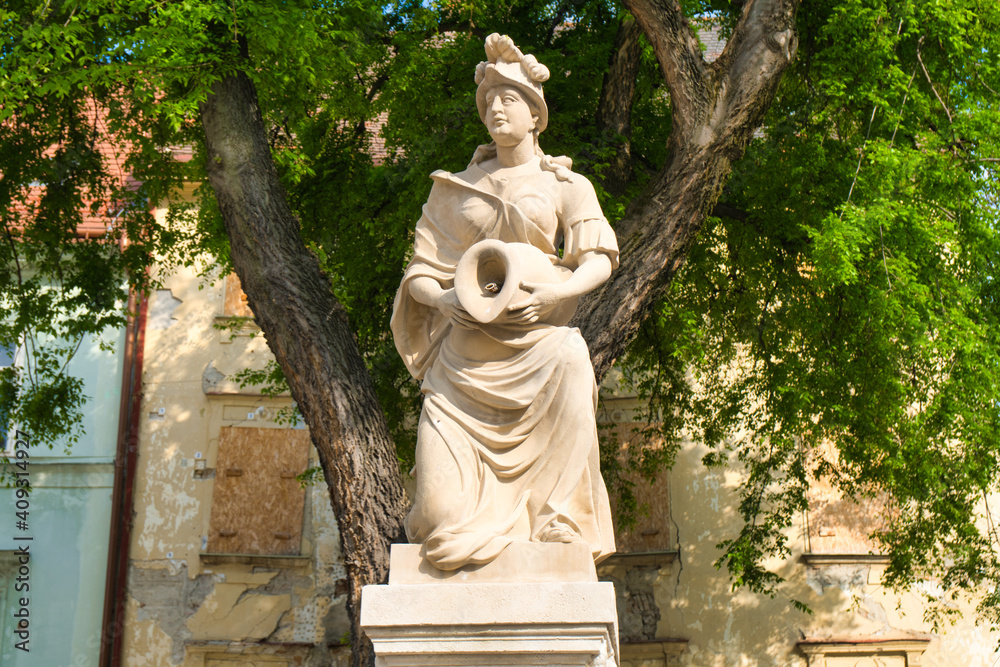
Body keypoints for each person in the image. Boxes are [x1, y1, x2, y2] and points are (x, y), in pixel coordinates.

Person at [391, 33, 618, 570]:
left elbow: (599, 258)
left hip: (540, 350)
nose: (495, 108)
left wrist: (557, 292)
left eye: (508, 99)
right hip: (463, 365)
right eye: (488, 101)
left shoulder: (567, 185)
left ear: (535, 115)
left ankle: (557, 517)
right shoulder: (453, 188)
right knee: (441, 523)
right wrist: (444, 300)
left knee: (572, 356)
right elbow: (419, 273)